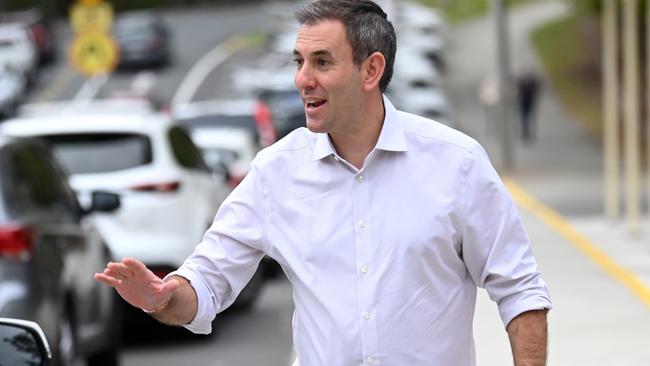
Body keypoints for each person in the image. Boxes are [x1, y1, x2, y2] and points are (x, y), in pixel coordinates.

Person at [95, 1, 552, 365]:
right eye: (299, 61)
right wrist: (161, 298)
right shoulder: (275, 172)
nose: (302, 79)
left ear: (371, 71)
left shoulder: (458, 163)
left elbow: (520, 290)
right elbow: (207, 284)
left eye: (321, 62)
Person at [516, 69, 541, 142]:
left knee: (525, 118)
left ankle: (526, 132)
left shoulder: (523, 81)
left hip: (525, 101)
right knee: (526, 118)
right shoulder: (531, 82)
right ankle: (526, 132)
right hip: (527, 101)